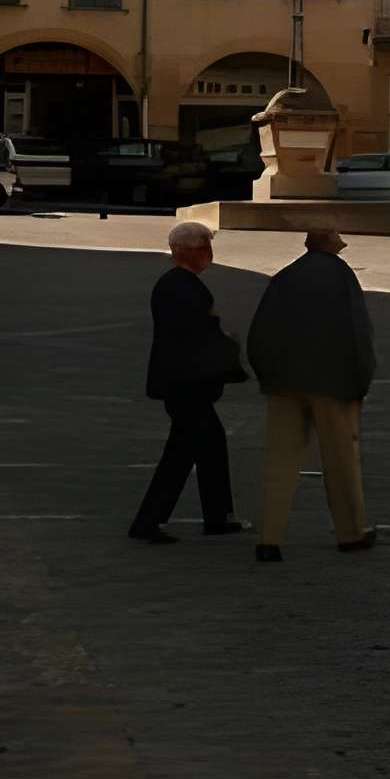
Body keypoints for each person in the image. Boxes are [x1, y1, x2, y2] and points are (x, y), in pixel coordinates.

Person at [246, 226, 377, 562]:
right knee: (340, 461)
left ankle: (269, 538)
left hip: (283, 382)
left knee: (280, 461)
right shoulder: (341, 276)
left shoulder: (285, 276)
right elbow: (358, 331)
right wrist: (361, 380)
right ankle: (351, 532)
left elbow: (259, 331)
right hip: (334, 384)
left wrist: (268, 374)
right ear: (334, 247)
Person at [133, 221, 247, 544]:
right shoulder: (182, 287)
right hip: (187, 385)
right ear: (190, 251)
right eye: (205, 247)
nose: (209, 254)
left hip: (182, 384)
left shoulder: (175, 284)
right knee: (186, 452)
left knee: (203, 447)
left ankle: (217, 516)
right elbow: (195, 338)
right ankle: (149, 521)